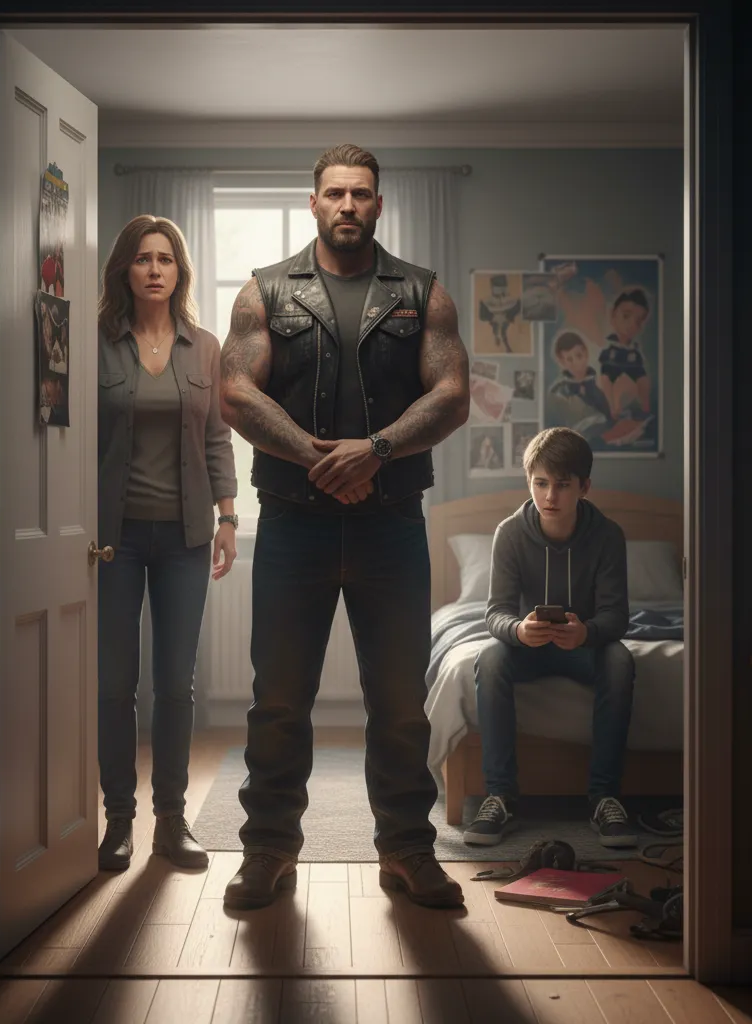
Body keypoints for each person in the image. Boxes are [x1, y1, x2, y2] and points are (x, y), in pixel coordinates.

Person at [218, 144, 470, 910]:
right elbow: (235, 392)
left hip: (391, 526)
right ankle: (268, 851)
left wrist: (378, 450)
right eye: (336, 193)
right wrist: (318, 456)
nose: (349, 205)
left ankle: (407, 851)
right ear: (315, 203)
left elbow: (452, 393)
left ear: (379, 205)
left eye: (361, 193)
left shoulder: (422, 292)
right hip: (292, 525)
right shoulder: (265, 290)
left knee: (399, 702)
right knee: (278, 700)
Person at [96, 214, 238, 872]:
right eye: (142, 258)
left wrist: (228, 517)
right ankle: (118, 821)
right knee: (114, 684)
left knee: (176, 684)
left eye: (166, 259)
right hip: (114, 540)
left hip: (185, 536)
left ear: (180, 272)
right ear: (124, 270)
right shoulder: (96, 344)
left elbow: (217, 436)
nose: (154, 269)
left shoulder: (204, 348)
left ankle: (172, 822)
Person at [464, 426, 638, 848]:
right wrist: (519, 630)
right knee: (490, 658)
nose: (550, 496)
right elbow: (495, 613)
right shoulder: (510, 533)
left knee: (619, 659)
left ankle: (604, 798)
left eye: (562, 485)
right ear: (529, 482)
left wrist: (587, 632)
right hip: (529, 647)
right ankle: (500, 796)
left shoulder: (608, 535)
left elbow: (617, 616)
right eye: (540, 483)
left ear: (584, 487)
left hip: (583, 648)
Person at [597, 288, 652, 420]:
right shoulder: (610, 343)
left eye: (638, 321)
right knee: (605, 380)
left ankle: (645, 406)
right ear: (613, 315)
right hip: (612, 366)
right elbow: (603, 363)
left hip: (632, 366)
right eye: (626, 316)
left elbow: (639, 367)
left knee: (643, 381)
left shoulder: (634, 348)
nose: (631, 325)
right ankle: (612, 408)